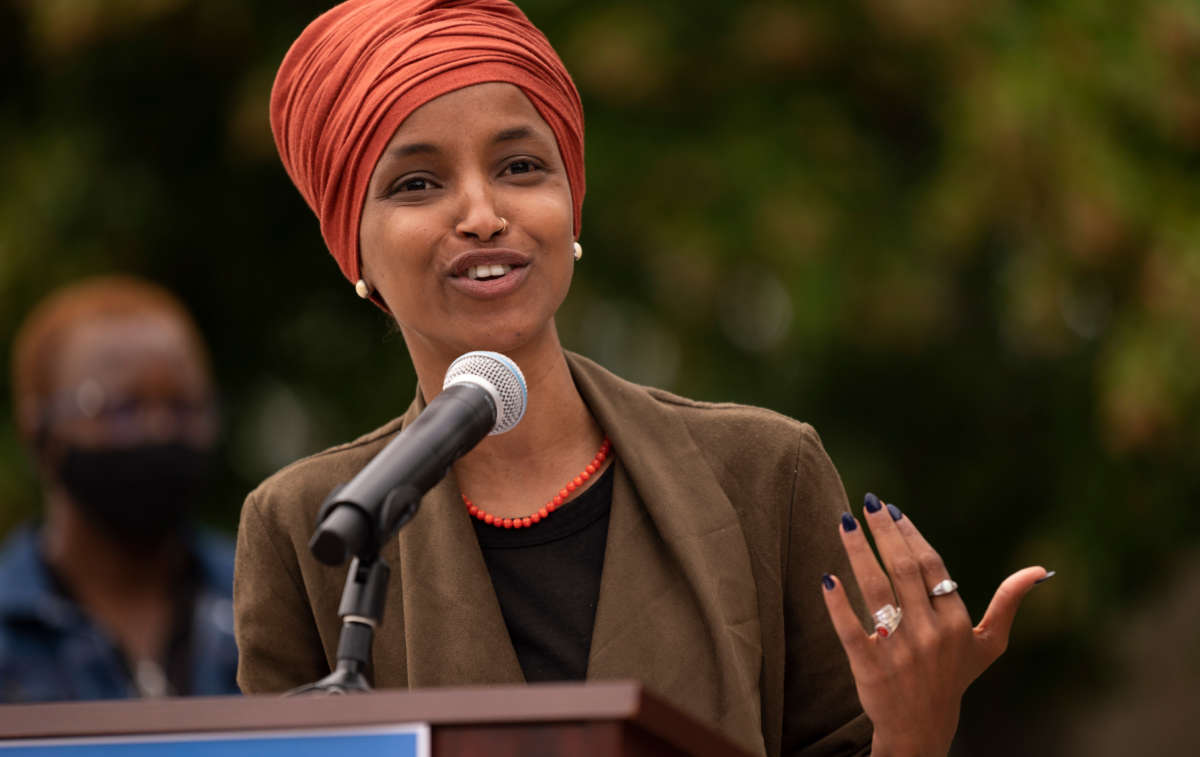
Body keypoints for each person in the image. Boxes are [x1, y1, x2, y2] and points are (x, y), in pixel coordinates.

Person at [233, 2, 1050, 755]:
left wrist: (914, 735)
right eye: (417, 182)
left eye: (521, 166)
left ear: (572, 206)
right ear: (354, 248)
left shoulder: (764, 473)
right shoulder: (312, 527)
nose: (482, 213)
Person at [0, 276, 240, 702]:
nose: (159, 428)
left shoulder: (264, 607)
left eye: (184, 405)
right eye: (121, 409)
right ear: (41, 432)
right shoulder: (10, 630)